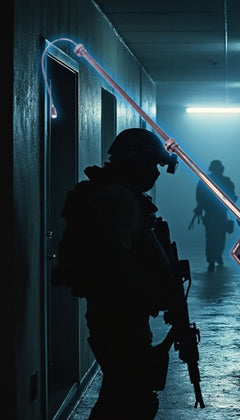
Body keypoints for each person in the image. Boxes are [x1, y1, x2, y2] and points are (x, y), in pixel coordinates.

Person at [53, 128, 179, 419]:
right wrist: (151, 292)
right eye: (152, 164)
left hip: (120, 313)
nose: (155, 173)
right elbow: (113, 262)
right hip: (118, 314)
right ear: (135, 160)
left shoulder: (120, 195)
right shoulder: (117, 199)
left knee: (122, 393)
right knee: (128, 399)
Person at [193, 160, 237, 272]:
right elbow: (233, 197)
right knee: (218, 237)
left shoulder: (205, 181)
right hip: (218, 213)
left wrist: (201, 207)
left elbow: (199, 196)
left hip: (213, 213)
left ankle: (213, 259)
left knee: (213, 237)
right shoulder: (225, 181)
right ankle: (215, 257)